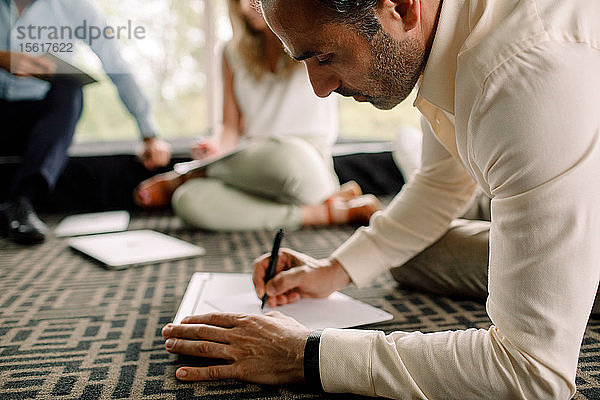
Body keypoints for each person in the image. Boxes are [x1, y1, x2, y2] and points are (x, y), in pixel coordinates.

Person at [161, 0, 600, 398]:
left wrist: (306, 355)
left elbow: (531, 371)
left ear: (402, 8)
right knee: (416, 256)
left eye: (325, 56)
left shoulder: (521, 73)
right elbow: (441, 185)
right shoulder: (447, 38)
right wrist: (333, 271)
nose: (318, 87)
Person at [134, 0, 379, 231]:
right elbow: (230, 128)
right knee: (188, 200)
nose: (243, 7)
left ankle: (189, 174)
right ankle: (328, 212)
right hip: (251, 165)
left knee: (286, 156)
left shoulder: (314, 34)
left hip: (304, 164)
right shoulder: (231, 52)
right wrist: (215, 146)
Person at [0, 0, 172, 244]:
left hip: (42, 118)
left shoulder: (76, 7)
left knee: (69, 89)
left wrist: (150, 134)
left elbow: (117, 67)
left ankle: (21, 202)